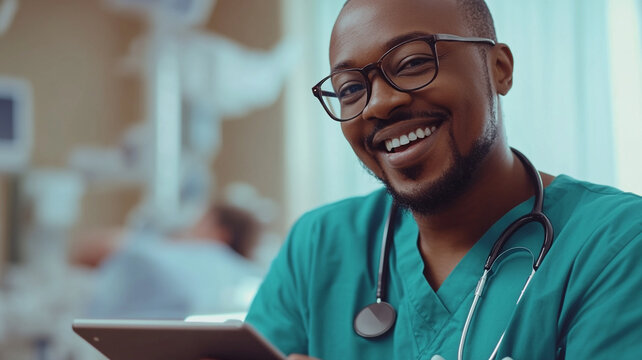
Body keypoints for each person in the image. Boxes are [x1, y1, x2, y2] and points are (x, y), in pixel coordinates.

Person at [243, 0, 642, 359]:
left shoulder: (617, 245)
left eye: (414, 62)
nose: (379, 104)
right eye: (350, 88)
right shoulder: (319, 246)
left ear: (499, 69)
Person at [80, 203, 265, 319]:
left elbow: (90, 249)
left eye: (201, 222)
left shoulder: (168, 255)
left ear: (220, 234)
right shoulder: (250, 275)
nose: (189, 227)